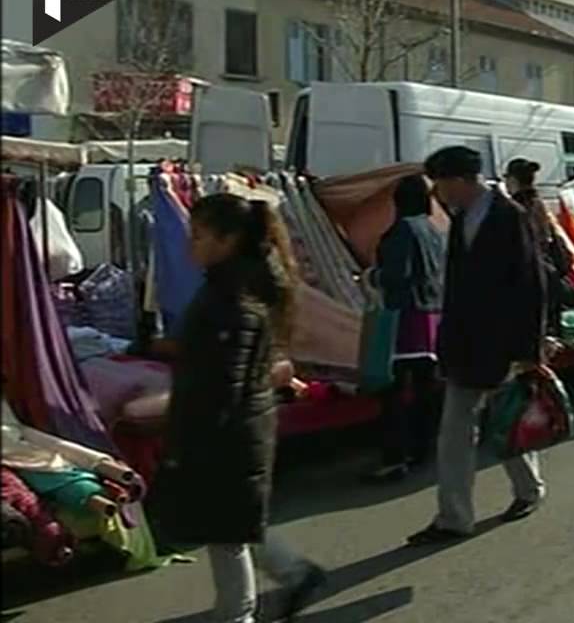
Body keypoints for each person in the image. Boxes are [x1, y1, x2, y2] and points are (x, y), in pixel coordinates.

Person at [159, 193, 324, 623]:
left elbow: (222, 386)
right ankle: (295, 574)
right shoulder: (233, 287)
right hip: (236, 429)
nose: (188, 245)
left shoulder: (233, 301)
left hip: (227, 435)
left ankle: (239, 615)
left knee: (227, 535)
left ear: (228, 239)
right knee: (235, 525)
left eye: (198, 236)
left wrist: (191, 442)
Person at [407, 146, 547, 545]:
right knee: (453, 433)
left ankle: (529, 490)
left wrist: (527, 352)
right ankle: (454, 517)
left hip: (502, 345)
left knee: (507, 425)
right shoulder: (462, 216)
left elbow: (530, 286)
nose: (438, 193)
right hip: (464, 344)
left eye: (441, 183)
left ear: (461, 180)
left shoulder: (509, 216)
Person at [363, 174, 447, 484]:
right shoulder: (435, 230)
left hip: (405, 318)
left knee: (392, 391)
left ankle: (393, 458)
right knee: (427, 389)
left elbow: (398, 275)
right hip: (433, 317)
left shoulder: (402, 230)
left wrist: (373, 277)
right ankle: (422, 449)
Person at [504, 158, 571, 339]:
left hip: (529, 272)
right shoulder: (538, 203)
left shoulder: (514, 208)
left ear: (512, 180)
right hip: (548, 270)